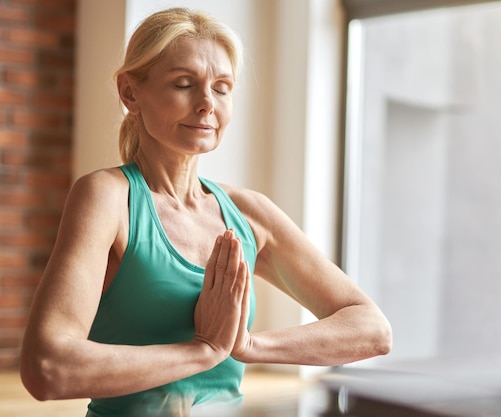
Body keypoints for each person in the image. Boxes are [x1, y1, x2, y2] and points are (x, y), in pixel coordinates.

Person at [19, 7, 392, 417]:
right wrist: (203, 350)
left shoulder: (248, 213)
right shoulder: (107, 198)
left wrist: (247, 345)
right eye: (183, 84)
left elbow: (371, 329)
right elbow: (47, 368)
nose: (206, 104)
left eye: (222, 88)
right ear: (130, 92)